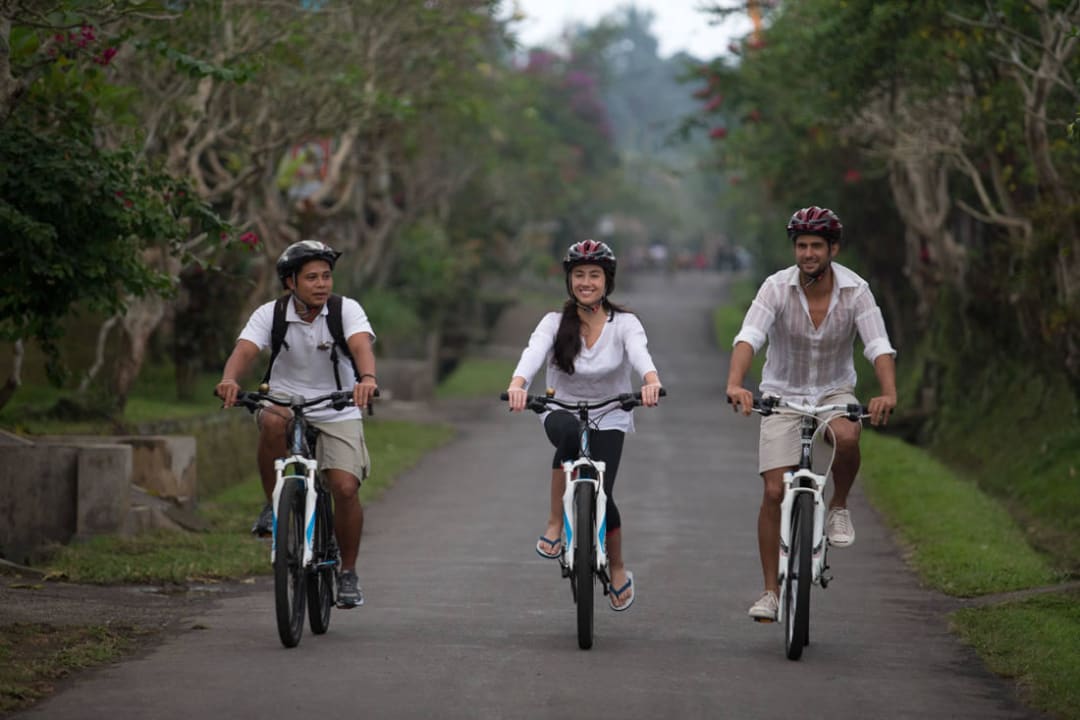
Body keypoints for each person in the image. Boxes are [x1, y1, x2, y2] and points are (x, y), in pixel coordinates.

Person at [725, 206, 897, 622]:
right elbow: (750, 335)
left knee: (849, 436)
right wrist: (736, 382)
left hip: (834, 391)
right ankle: (770, 591)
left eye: (816, 246)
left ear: (833, 248)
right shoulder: (775, 287)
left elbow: (877, 344)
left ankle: (838, 504)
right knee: (772, 492)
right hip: (782, 393)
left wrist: (888, 392)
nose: (807, 253)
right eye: (801, 246)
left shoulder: (856, 291)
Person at [215, 239, 378, 609]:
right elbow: (244, 350)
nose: (322, 284)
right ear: (290, 282)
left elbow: (360, 345)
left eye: (326, 276)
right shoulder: (270, 315)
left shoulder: (345, 310)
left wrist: (366, 378)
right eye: (311, 278)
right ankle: (274, 506)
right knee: (273, 420)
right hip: (285, 399)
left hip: (338, 404)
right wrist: (229, 379)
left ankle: (348, 572)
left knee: (345, 487)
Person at [505, 239, 663, 612]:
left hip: (611, 412)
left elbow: (641, 355)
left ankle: (619, 567)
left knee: (604, 491)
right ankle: (555, 523)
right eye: (579, 275)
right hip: (560, 408)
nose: (586, 282)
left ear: (607, 281)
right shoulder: (554, 323)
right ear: (569, 280)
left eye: (594, 275)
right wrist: (517, 386)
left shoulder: (625, 323)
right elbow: (532, 354)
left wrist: (651, 381)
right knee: (572, 437)